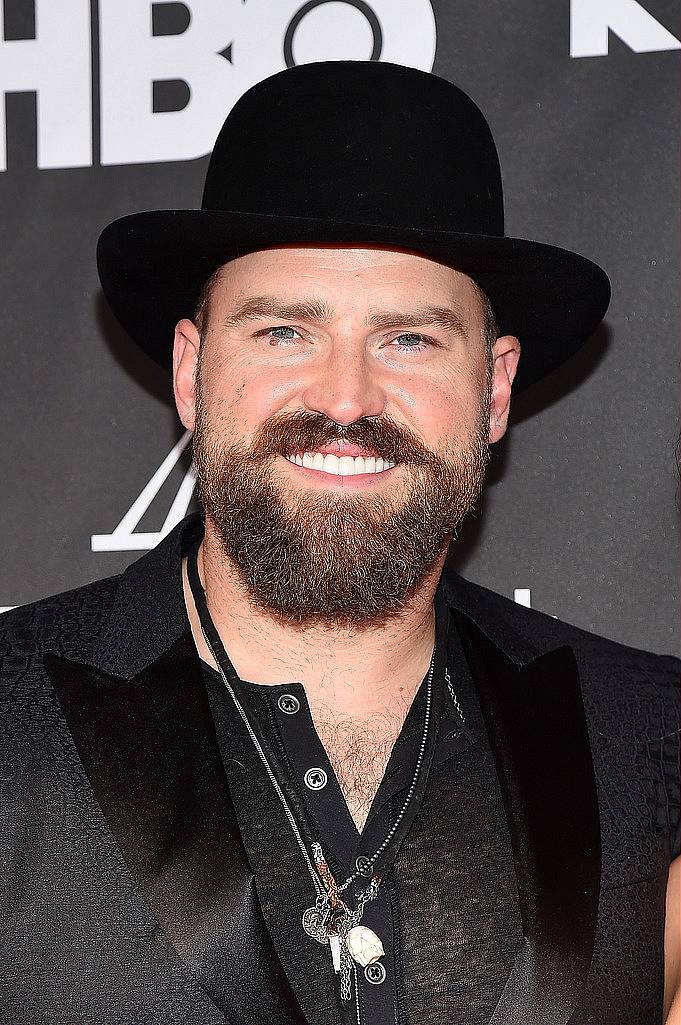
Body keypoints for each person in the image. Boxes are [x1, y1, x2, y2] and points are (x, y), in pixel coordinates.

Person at [1, 61, 679, 1025]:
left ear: (493, 390)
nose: (346, 398)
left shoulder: (654, 736)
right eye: (284, 331)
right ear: (191, 372)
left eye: (408, 339)